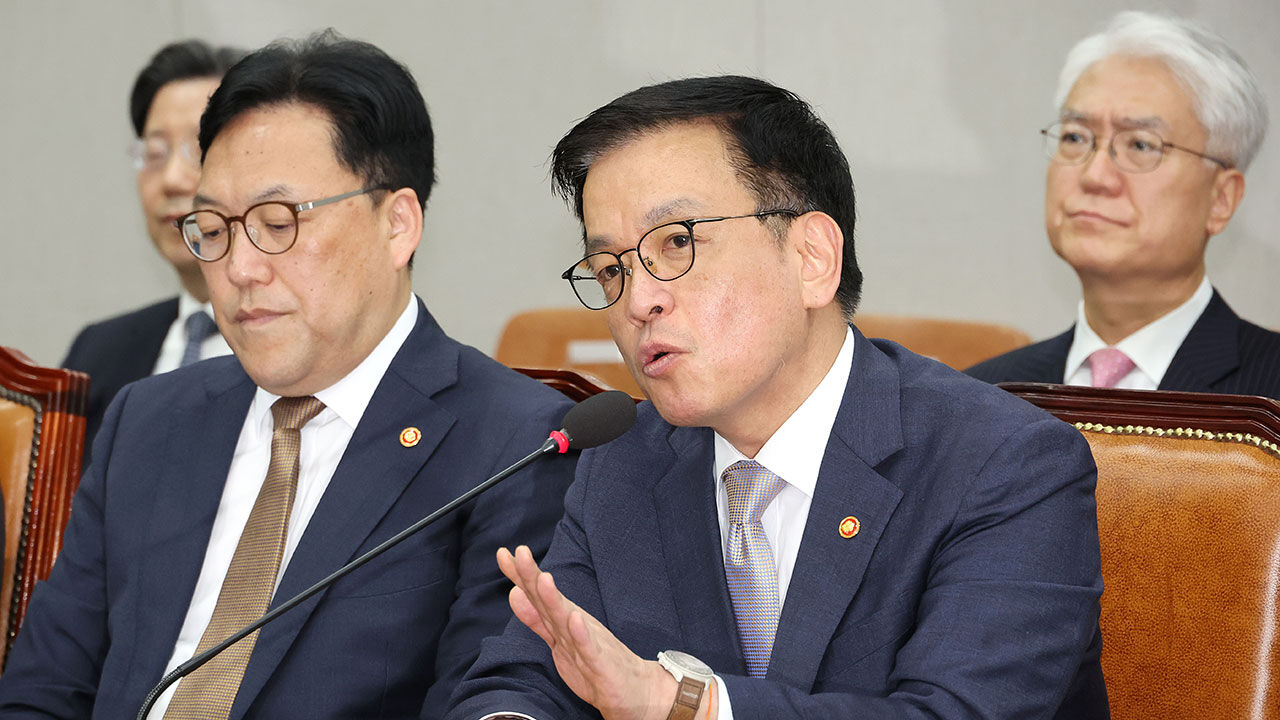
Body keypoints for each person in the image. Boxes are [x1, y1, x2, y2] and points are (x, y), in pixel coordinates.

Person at [446, 76, 1108, 720]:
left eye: (676, 243)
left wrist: (683, 706)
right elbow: (526, 677)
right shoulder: (624, 461)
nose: (639, 301)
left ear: (812, 258)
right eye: (610, 268)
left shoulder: (1004, 464)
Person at [0, 32, 577, 719]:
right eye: (214, 227)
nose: (240, 268)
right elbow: (42, 693)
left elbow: (493, 692)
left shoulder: (514, 446)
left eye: (277, 223)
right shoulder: (146, 421)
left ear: (398, 225)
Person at [966, 11, 1280, 397]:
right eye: (1076, 137)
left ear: (1221, 199)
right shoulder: (980, 395)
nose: (1095, 176)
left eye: (1140, 145)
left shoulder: (1268, 399)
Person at [62, 40, 245, 465]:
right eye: (156, 154)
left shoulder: (301, 346)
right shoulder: (97, 353)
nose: (173, 179)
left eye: (199, 149)